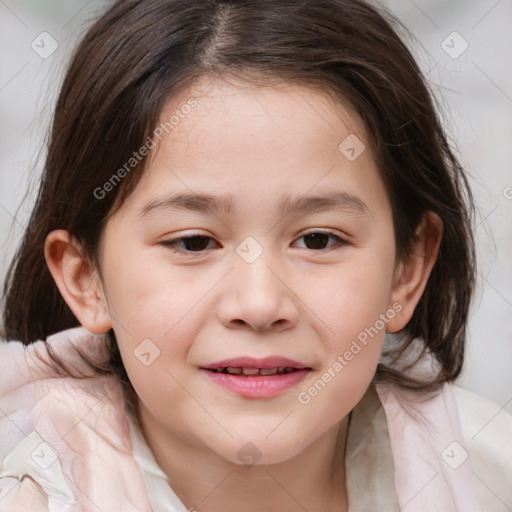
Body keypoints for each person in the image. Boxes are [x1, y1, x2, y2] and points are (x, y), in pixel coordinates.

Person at [1, 0, 511, 510]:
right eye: (193, 242)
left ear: (407, 270)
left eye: (318, 240)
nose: (261, 303)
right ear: (85, 277)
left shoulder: (488, 477)